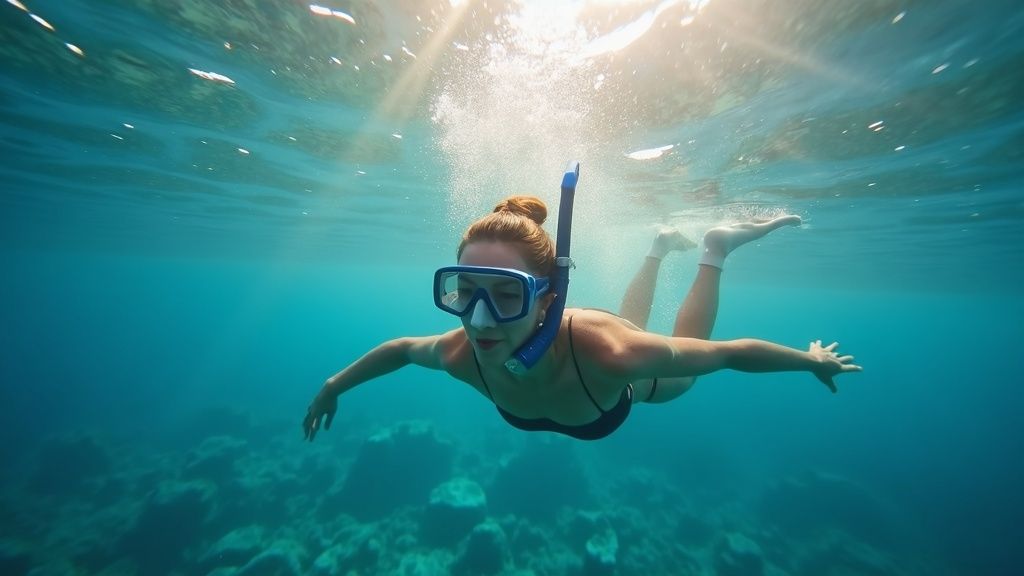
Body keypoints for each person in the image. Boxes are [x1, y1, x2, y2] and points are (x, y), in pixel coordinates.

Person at [303, 196, 861, 441]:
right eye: (464, 292)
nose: (480, 321)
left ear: (547, 296)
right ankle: (659, 246)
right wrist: (332, 386)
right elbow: (401, 349)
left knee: (684, 371)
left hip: (601, 352)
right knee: (629, 324)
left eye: (506, 295)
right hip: (588, 345)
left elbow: (730, 354)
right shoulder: (459, 353)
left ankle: (714, 248)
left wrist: (812, 361)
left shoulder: (615, 354)